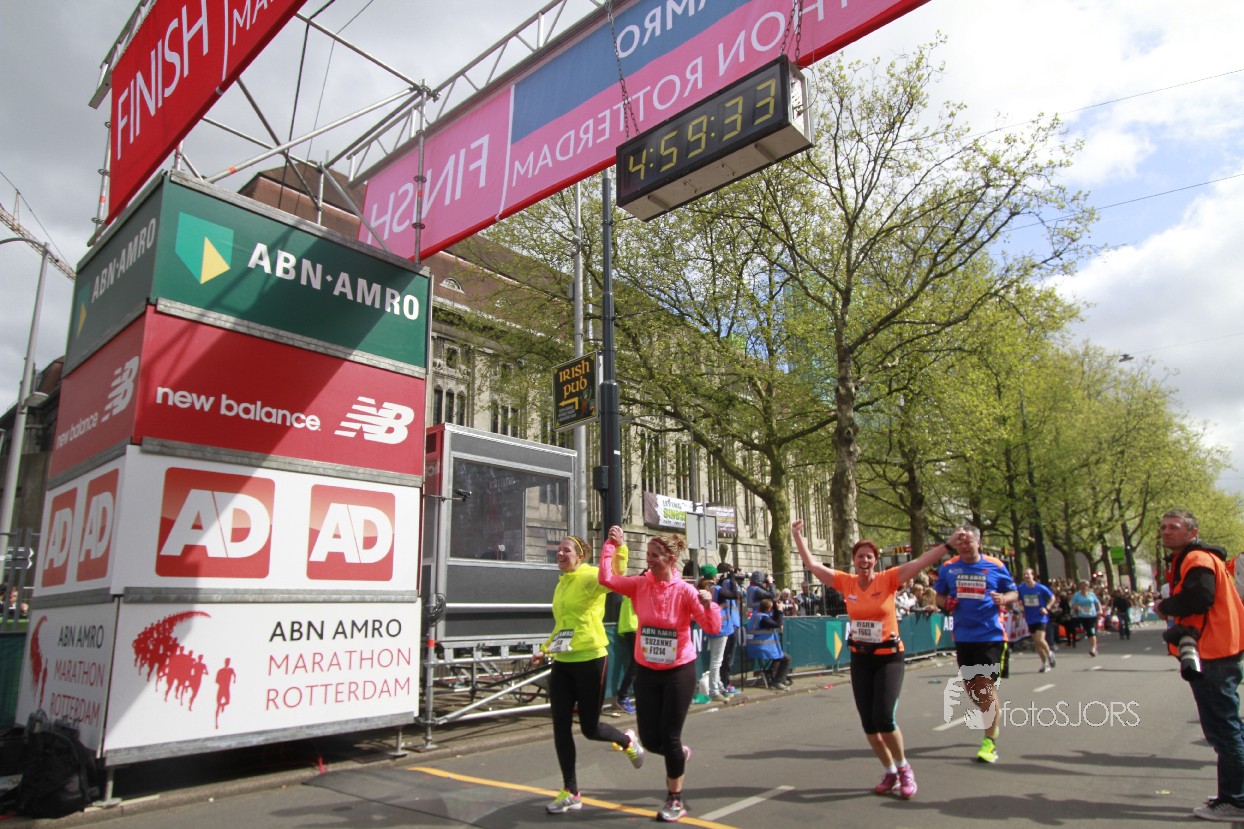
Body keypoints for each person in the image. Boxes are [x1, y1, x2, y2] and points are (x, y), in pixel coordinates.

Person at [792, 520, 948, 799]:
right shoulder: (846, 582)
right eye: (860, 556)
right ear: (853, 560)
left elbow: (920, 562)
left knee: (884, 718)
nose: (864, 560)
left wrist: (947, 546)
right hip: (861, 658)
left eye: (869, 556)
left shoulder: (887, 579)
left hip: (889, 658)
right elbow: (813, 566)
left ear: (875, 561)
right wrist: (797, 535)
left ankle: (904, 769)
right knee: (869, 724)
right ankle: (889, 771)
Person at [598, 525, 721, 823]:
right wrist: (611, 545)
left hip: (679, 670)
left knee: (670, 736)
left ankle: (674, 799)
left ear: (670, 560)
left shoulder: (685, 591)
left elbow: (712, 627)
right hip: (647, 670)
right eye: (648, 554)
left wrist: (710, 605)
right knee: (652, 741)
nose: (649, 560)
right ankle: (678, 755)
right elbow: (607, 579)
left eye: (655, 555)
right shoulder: (640, 585)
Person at [532, 535, 644, 814]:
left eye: (566, 550)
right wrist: (544, 649)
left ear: (580, 556)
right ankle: (571, 791)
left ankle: (627, 741)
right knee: (560, 727)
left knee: (590, 729)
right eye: (558, 549)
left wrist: (620, 547)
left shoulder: (590, 575)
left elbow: (616, 575)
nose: (560, 553)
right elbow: (563, 625)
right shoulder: (562, 583)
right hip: (563, 661)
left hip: (591, 659)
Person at [1154, 509, 1244, 822]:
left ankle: (1236, 800)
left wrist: (1165, 606)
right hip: (1218, 649)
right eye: (1163, 527)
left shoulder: (1196, 559)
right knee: (1226, 729)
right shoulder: (1198, 558)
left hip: (1214, 652)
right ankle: (1232, 793)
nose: (1166, 532)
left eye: (1174, 527)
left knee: (1224, 730)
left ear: (1193, 533)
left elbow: (1201, 598)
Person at [933, 523, 1019, 764]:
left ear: (978, 542)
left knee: (984, 686)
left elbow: (1013, 593)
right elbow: (939, 596)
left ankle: (989, 742)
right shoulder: (948, 568)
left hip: (991, 635)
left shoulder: (995, 566)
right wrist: (945, 603)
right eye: (959, 542)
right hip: (963, 636)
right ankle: (992, 718)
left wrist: (1003, 598)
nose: (963, 545)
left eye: (968, 541)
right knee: (972, 689)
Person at [699, 565, 734, 702]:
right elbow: (734, 595)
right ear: (714, 576)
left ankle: (718, 686)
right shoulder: (717, 589)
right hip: (721, 627)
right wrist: (732, 579)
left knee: (716, 659)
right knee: (717, 660)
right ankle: (714, 690)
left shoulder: (702, 588)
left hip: (712, 626)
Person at [1016, 568, 1058, 671]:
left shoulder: (1040, 588)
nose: (1026, 576)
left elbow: (1052, 598)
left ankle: (1050, 653)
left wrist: (1047, 608)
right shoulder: (1021, 588)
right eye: (1024, 574)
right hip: (1030, 618)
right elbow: (1017, 598)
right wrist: (1019, 607)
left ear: (1033, 575)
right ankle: (1045, 664)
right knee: (1037, 643)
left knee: (1040, 639)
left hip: (1041, 617)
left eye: (1028, 574)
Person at [745, 598, 792, 688]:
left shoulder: (756, 614)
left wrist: (776, 609)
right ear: (769, 608)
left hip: (755, 647)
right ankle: (778, 681)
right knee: (786, 658)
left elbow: (773, 620)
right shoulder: (763, 619)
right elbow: (777, 624)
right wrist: (780, 611)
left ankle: (770, 676)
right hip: (762, 648)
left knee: (778, 657)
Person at [1070, 580, 1103, 656]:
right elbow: (1072, 605)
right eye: (1082, 586)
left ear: (1088, 587)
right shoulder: (1077, 595)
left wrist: (1100, 610)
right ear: (1080, 587)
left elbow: (1097, 602)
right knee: (1089, 632)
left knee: (1092, 631)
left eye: (1085, 586)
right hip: (1083, 616)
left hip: (1092, 615)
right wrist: (1077, 607)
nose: (1084, 587)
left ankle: (1093, 649)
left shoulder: (1091, 594)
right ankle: (1093, 647)